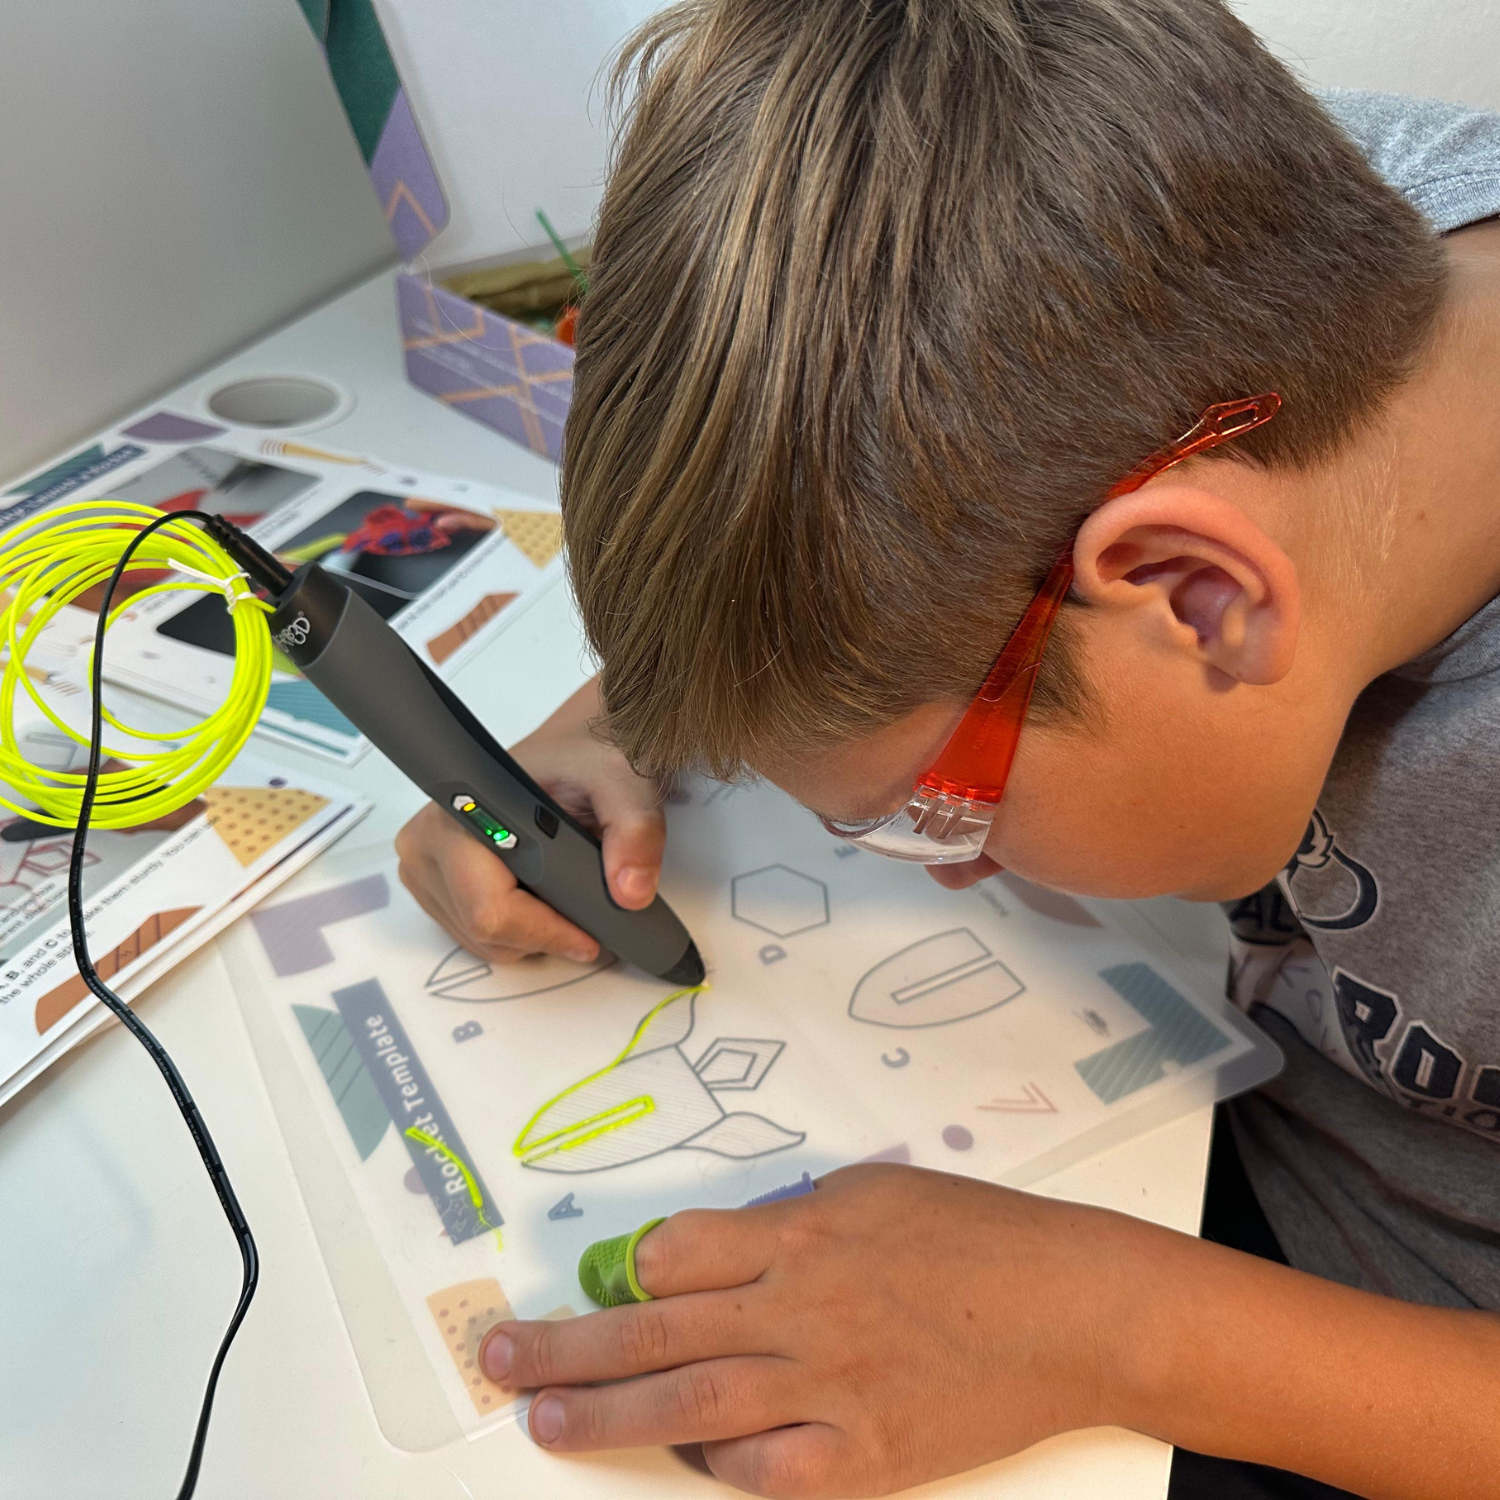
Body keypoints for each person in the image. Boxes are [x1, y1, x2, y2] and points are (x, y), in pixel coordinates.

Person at [394, 3, 1500, 1495]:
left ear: (1199, 597)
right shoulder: (1237, 219)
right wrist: (648, 705)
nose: (950, 872)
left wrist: (1110, 1328)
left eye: (929, 813)